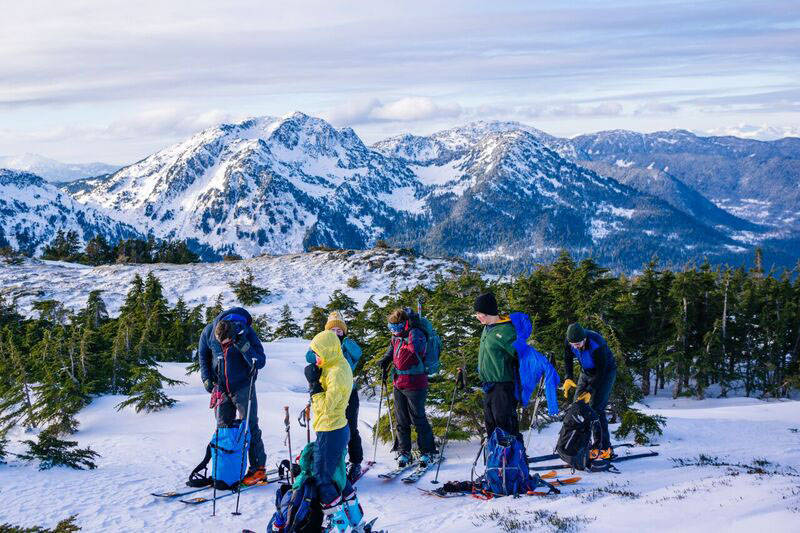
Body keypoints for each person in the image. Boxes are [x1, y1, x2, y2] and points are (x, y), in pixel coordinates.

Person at [198, 306, 267, 485]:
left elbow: (259, 361)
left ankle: (258, 469)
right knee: (222, 429)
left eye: (226, 342)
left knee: (249, 427)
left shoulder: (247, 333)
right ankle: (224, 469)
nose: (222, 345)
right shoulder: (209, 332)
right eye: (220, 343)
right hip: (220, 388)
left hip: (244, 386)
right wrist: (207, 380)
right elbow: (203, 356)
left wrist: (242, 345)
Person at [304, 329, 358, 518]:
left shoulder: (337, 372)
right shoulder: (335, 363)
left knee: (322, 477)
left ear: (327, 351)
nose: (316, 358)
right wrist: (318, 373)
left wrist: (315, 388)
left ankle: (332, 516)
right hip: (333, 427)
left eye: (318, 354)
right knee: (337, 473)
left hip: (331, 429)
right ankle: (353, 510)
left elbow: (327, 406)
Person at [379, 307, 437, 467]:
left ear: (404, 325)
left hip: (415, 382)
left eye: (396, 328)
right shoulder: (397, 337)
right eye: (391, 328)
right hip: (399, 382)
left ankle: (427, 451)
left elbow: (417, 349)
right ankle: (404, 451)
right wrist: (385, 360)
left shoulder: (415, 334)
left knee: (418, 418)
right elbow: (392, 350)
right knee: (401, 419)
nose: (393, 332)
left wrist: (408, 338)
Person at [562, 322, 617, 460]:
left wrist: (590, 390)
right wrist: (568, 377)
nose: (575, 347)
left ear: (584, 338)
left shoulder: (596, 343)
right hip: (585, 372)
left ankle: (604, 448)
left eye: (578, 344)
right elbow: (567, 359)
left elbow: (601, 371)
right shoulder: (570, 341)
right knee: (578, 407)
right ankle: (580, 443)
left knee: (596, 408)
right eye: (573, 344)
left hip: (605, 373)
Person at [474, 292, 523, 441]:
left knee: (504, 424)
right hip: (489, 385)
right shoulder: (487, 328)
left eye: (479, 313)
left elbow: (521, 355)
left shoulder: (506, 331)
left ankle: (513, 458)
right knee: (491, 424)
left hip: (503, 386)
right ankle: (496, 457)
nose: (477, 316)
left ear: (488, 312)